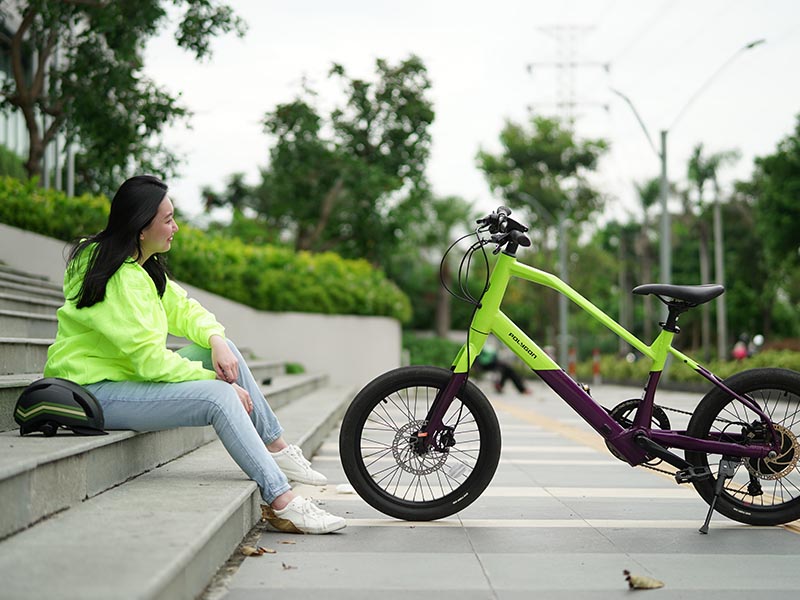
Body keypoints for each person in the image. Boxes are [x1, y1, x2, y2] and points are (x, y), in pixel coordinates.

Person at [43, 175, 345, 535]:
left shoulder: (138, 265)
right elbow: (150, 362)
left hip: (122, 379)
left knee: (224, 350)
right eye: (168, 220)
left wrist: (216, 339)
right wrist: (214, 382)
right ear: (141, 227)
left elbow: (184, 309)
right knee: (219, 397)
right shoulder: (118, 280)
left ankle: (276, 448)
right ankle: (282, 500)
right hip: (95, 391)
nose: (176, 227)